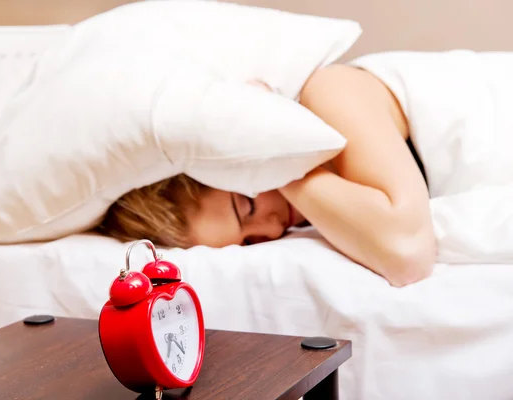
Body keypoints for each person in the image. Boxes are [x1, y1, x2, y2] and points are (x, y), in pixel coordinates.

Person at [98, 65, 437, 287]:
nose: (274, 228)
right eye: (252, 241)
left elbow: (408, 256)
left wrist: (271, 153)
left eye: (248, 202)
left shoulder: (331, 92)